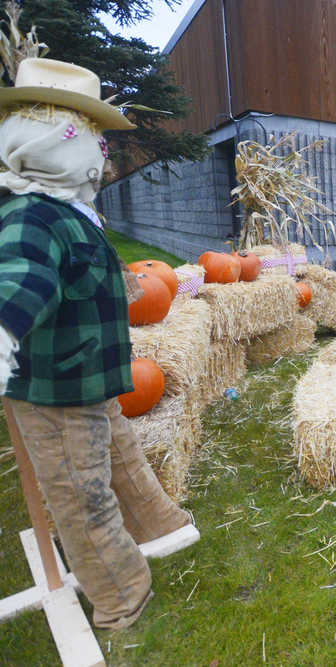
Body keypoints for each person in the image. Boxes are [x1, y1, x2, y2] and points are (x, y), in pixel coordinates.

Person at [0, 58, 193, 630]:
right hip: (56, 388)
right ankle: (120, 592)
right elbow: (21, 281)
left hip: (93, 376)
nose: (102, 152)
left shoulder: (68, 213)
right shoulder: (31, 217)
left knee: (121, 458)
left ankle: (162, 526)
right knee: (82, 494)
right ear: (49, 139)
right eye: (93, 138)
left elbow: (81, 275)